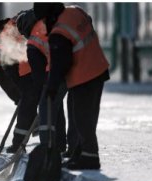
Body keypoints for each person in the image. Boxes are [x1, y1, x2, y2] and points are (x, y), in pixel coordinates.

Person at [34, 3, 110, 170]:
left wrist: (52, 88)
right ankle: (80, 153)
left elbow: (61, 63)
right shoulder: (74, 11)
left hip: (85, 75)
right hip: (99, 68)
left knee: (81, 118)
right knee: (88, 117)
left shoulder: (58, 33)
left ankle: (90, 157)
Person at [0, 10, 67, 154]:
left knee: (26, 109)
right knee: (54, 106)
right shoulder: (16, 22)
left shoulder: (4, 37)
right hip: (46, 66)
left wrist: (22, 90)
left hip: (29, 72)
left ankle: (18, 144)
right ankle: (59, 144)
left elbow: (10, 69)